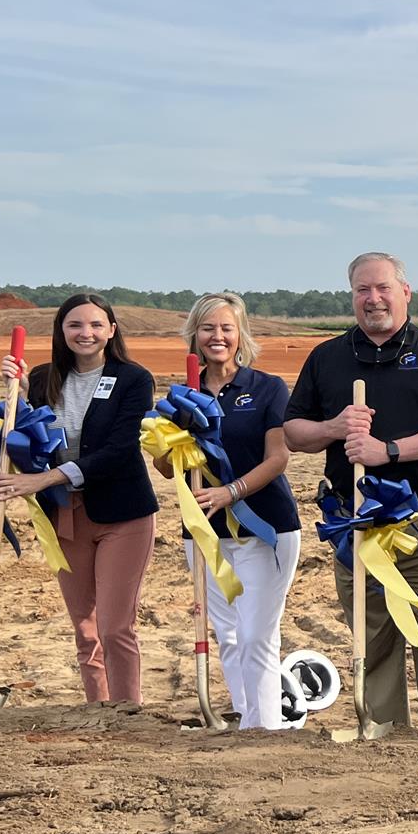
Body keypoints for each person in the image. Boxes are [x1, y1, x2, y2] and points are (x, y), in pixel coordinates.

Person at [285, 253, 418, 737]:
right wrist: (334, 427)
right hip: (354, 525)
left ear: (405, 292)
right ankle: (385, 741)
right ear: (351, 296)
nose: (373, 299)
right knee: (372, 644)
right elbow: (293, 433)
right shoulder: (327, 358)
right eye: (362, 291)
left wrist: (387, 451)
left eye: (383, 288)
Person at [0, 293, 158, 703]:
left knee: (115, 626)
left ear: (111, 331)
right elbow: (23, 435)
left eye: (96, 325)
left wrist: (45, 478)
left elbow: (120, 449)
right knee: (85, 628)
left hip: (123, 514)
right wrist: (16, 389)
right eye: (75, 325)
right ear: (62, 331)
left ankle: (127, 713)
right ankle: (97, 710)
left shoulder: (133, 379)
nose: (86, 333)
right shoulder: (46, 377)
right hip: (65, 514)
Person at [152, 293, 303, 730]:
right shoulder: (181, 396)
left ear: (240, 336)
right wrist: (174, 439)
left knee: (257, 634)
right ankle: (248, 720)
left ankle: (267, 729)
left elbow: (278, 459)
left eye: (226, 328)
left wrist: (230, 493)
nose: (217, 337)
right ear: (194, 336)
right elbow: (165, 469)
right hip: (204, 532)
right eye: (208, 328)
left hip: (266, 528)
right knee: (230, 634)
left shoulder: (266, 388)